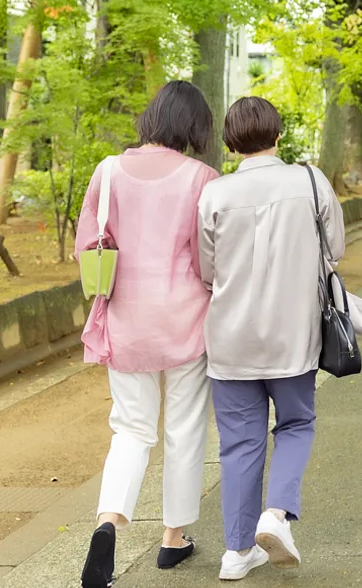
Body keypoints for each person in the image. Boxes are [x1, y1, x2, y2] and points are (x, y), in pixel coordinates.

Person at [77, 80, 223, 588]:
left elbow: (87, 246)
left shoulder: (108, 171)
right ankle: (172, 539)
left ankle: (108, 523)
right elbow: (210, 257)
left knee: (131, 429)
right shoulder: (202, 177)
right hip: (186, 320)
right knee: (184, 430)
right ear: (195, 127)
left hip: (127, 319)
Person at [198, 96, 345, 581]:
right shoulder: (309, 180)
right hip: (292, 335)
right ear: (278, 135)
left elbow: (206, 270)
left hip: (230, 338)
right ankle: (276, 515)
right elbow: (336, 250)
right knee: (296, 423)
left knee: (239, 443)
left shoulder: (215, 194)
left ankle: (237, 553)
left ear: (229, 141)